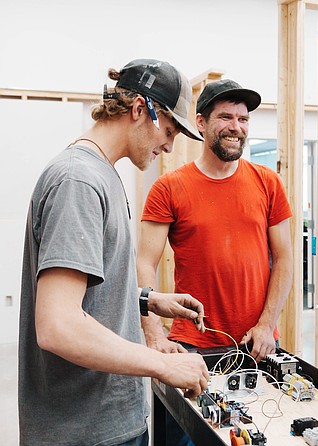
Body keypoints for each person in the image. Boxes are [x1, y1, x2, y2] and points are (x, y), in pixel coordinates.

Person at [18, 59, 210, 446]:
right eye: (169, 131)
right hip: (86, 432)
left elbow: (89, 293)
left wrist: (148, 300)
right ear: (140, 109)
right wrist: (164, 365)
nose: (170, 146)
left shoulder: (102, 173)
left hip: (108, 423)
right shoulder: (79, 181)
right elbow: (59, 325)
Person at [136, 78, 293, 446]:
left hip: (256, 346)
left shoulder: (268, 183)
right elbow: (144, 264)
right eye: (226, 117)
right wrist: (155, 335)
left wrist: (267, 325)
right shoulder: (168, 187)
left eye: (243, 119)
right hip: (191, 348)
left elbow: (285, 258)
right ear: (202, 122)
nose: (236, 127)